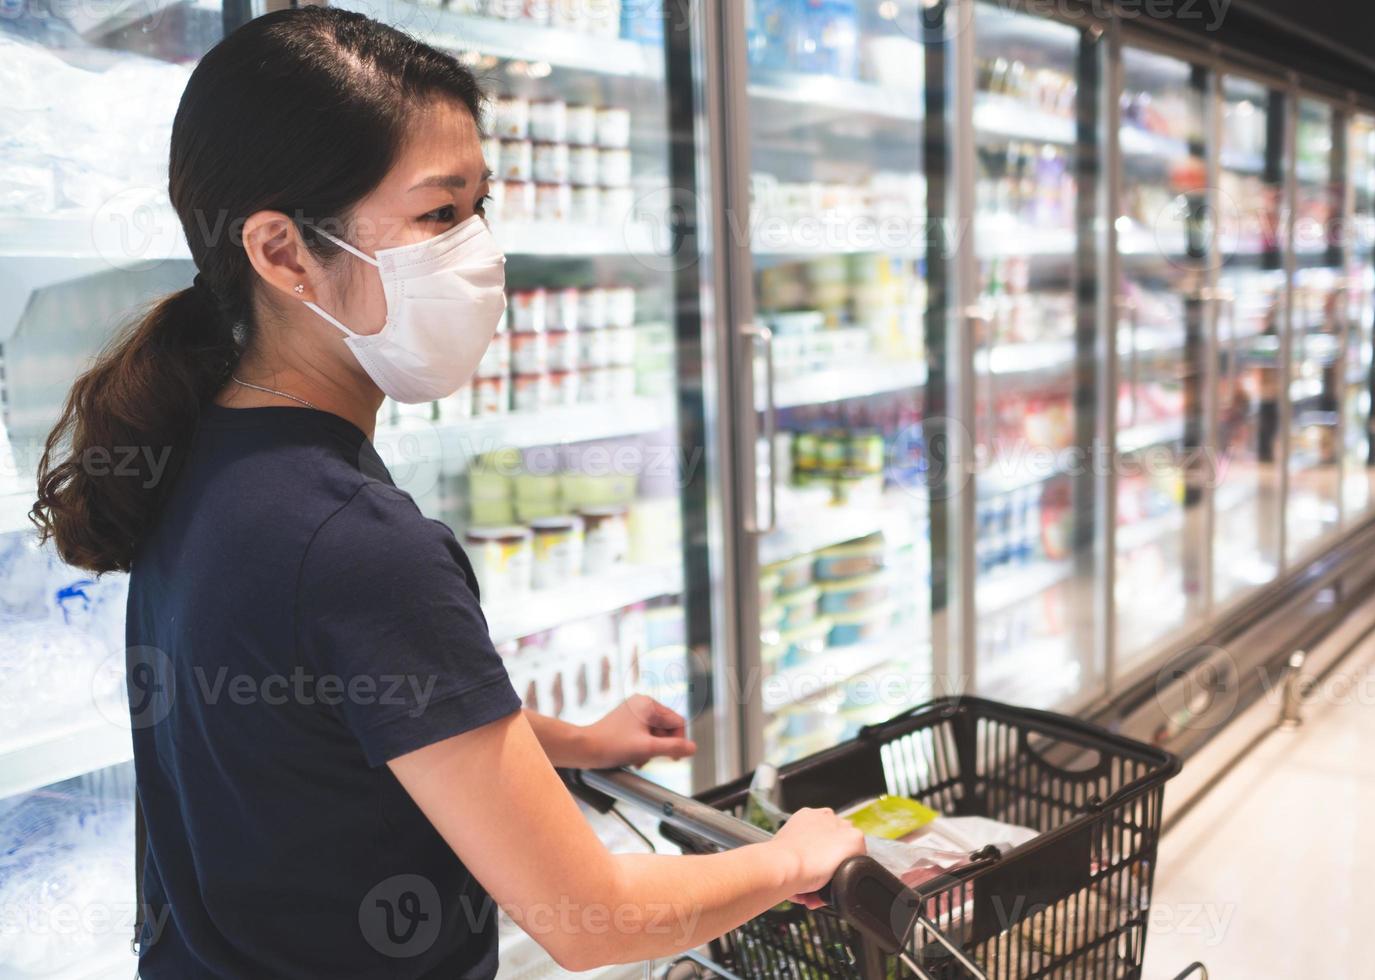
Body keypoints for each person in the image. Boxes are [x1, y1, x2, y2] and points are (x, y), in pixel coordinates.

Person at [30, 8, 864, 977]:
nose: (480, 252)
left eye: (480, 206)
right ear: (283, 252)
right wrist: (795, 853)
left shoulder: (205, 450)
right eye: (438, 214)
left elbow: (338, 705)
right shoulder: (355, 541)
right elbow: (593, 916)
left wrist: (567, 742)